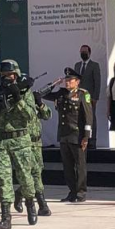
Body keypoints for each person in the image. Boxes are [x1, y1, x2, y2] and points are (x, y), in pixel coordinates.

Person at [0, 60, 37, 229]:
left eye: (10, 75)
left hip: (20, 142)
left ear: (16, 75)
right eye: (4, 76)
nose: (7, 78)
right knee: (4, 180)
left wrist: (18, 99)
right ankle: (5, 216)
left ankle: (30, 204)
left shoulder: (25, 92)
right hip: (0, 142)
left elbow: (30, 117)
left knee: (25, 178)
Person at [42, 68, 93, 203]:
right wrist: (53, 85)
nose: (67, 82)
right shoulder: (61, 93)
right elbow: (41, 94)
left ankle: (81, 192)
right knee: (68, 166)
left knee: (80, 165)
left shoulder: (83, 94)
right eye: (66, 80)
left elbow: (88, 117)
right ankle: (72, 192)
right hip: (64, 134)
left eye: (70, 80)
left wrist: (86, 136)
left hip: (77, 135)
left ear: (77, 82)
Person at [14, 72, 53, 218]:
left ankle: (19, 193)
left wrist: (40, 103)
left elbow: (47, 115)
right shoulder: (18, 99)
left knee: (37, 173)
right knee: (34, 174)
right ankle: (42, 205)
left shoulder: (32, 97)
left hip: (37, 142)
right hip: (26, 142)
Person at [75, 45, 101, 149]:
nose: (83, 54)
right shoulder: (77, 65)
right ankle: (81, 139)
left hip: (89, 97)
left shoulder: (94, 65)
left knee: (91, 119)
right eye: (81, 52)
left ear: (89, 53)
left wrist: (95, 97)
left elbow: (97, 82)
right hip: (78, 97)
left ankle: (92, 141)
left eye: (85, 52)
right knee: (79, 118)